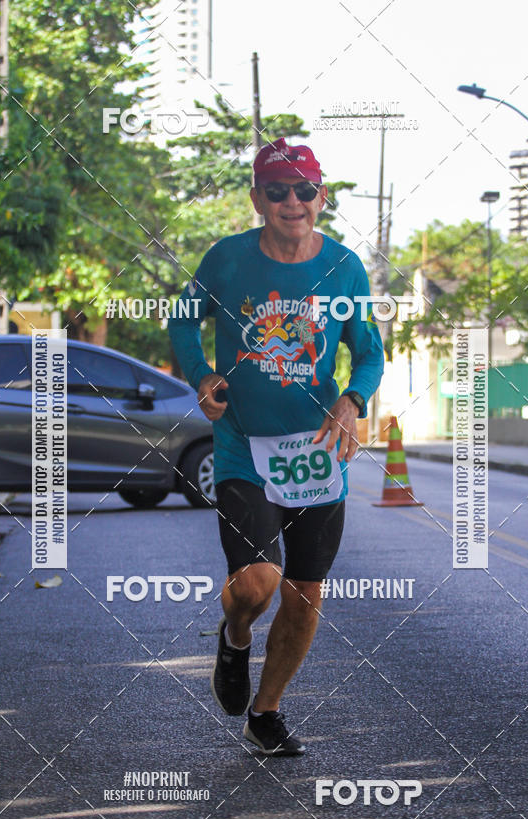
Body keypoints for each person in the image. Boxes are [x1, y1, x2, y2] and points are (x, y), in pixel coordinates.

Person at [168, 137, 384, 756]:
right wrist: (201, 376)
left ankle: (266, 711)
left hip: (317, 455)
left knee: (304, 590)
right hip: (244, 448)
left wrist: (353, 400)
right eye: (278, 190)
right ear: (258, 197)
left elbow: (367, 350)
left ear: (321, 197)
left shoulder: (343, 267)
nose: (293, 202)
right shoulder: (227, 260)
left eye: (305, 190)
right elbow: (183, 319)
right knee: (258, 584)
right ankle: (235, 635)